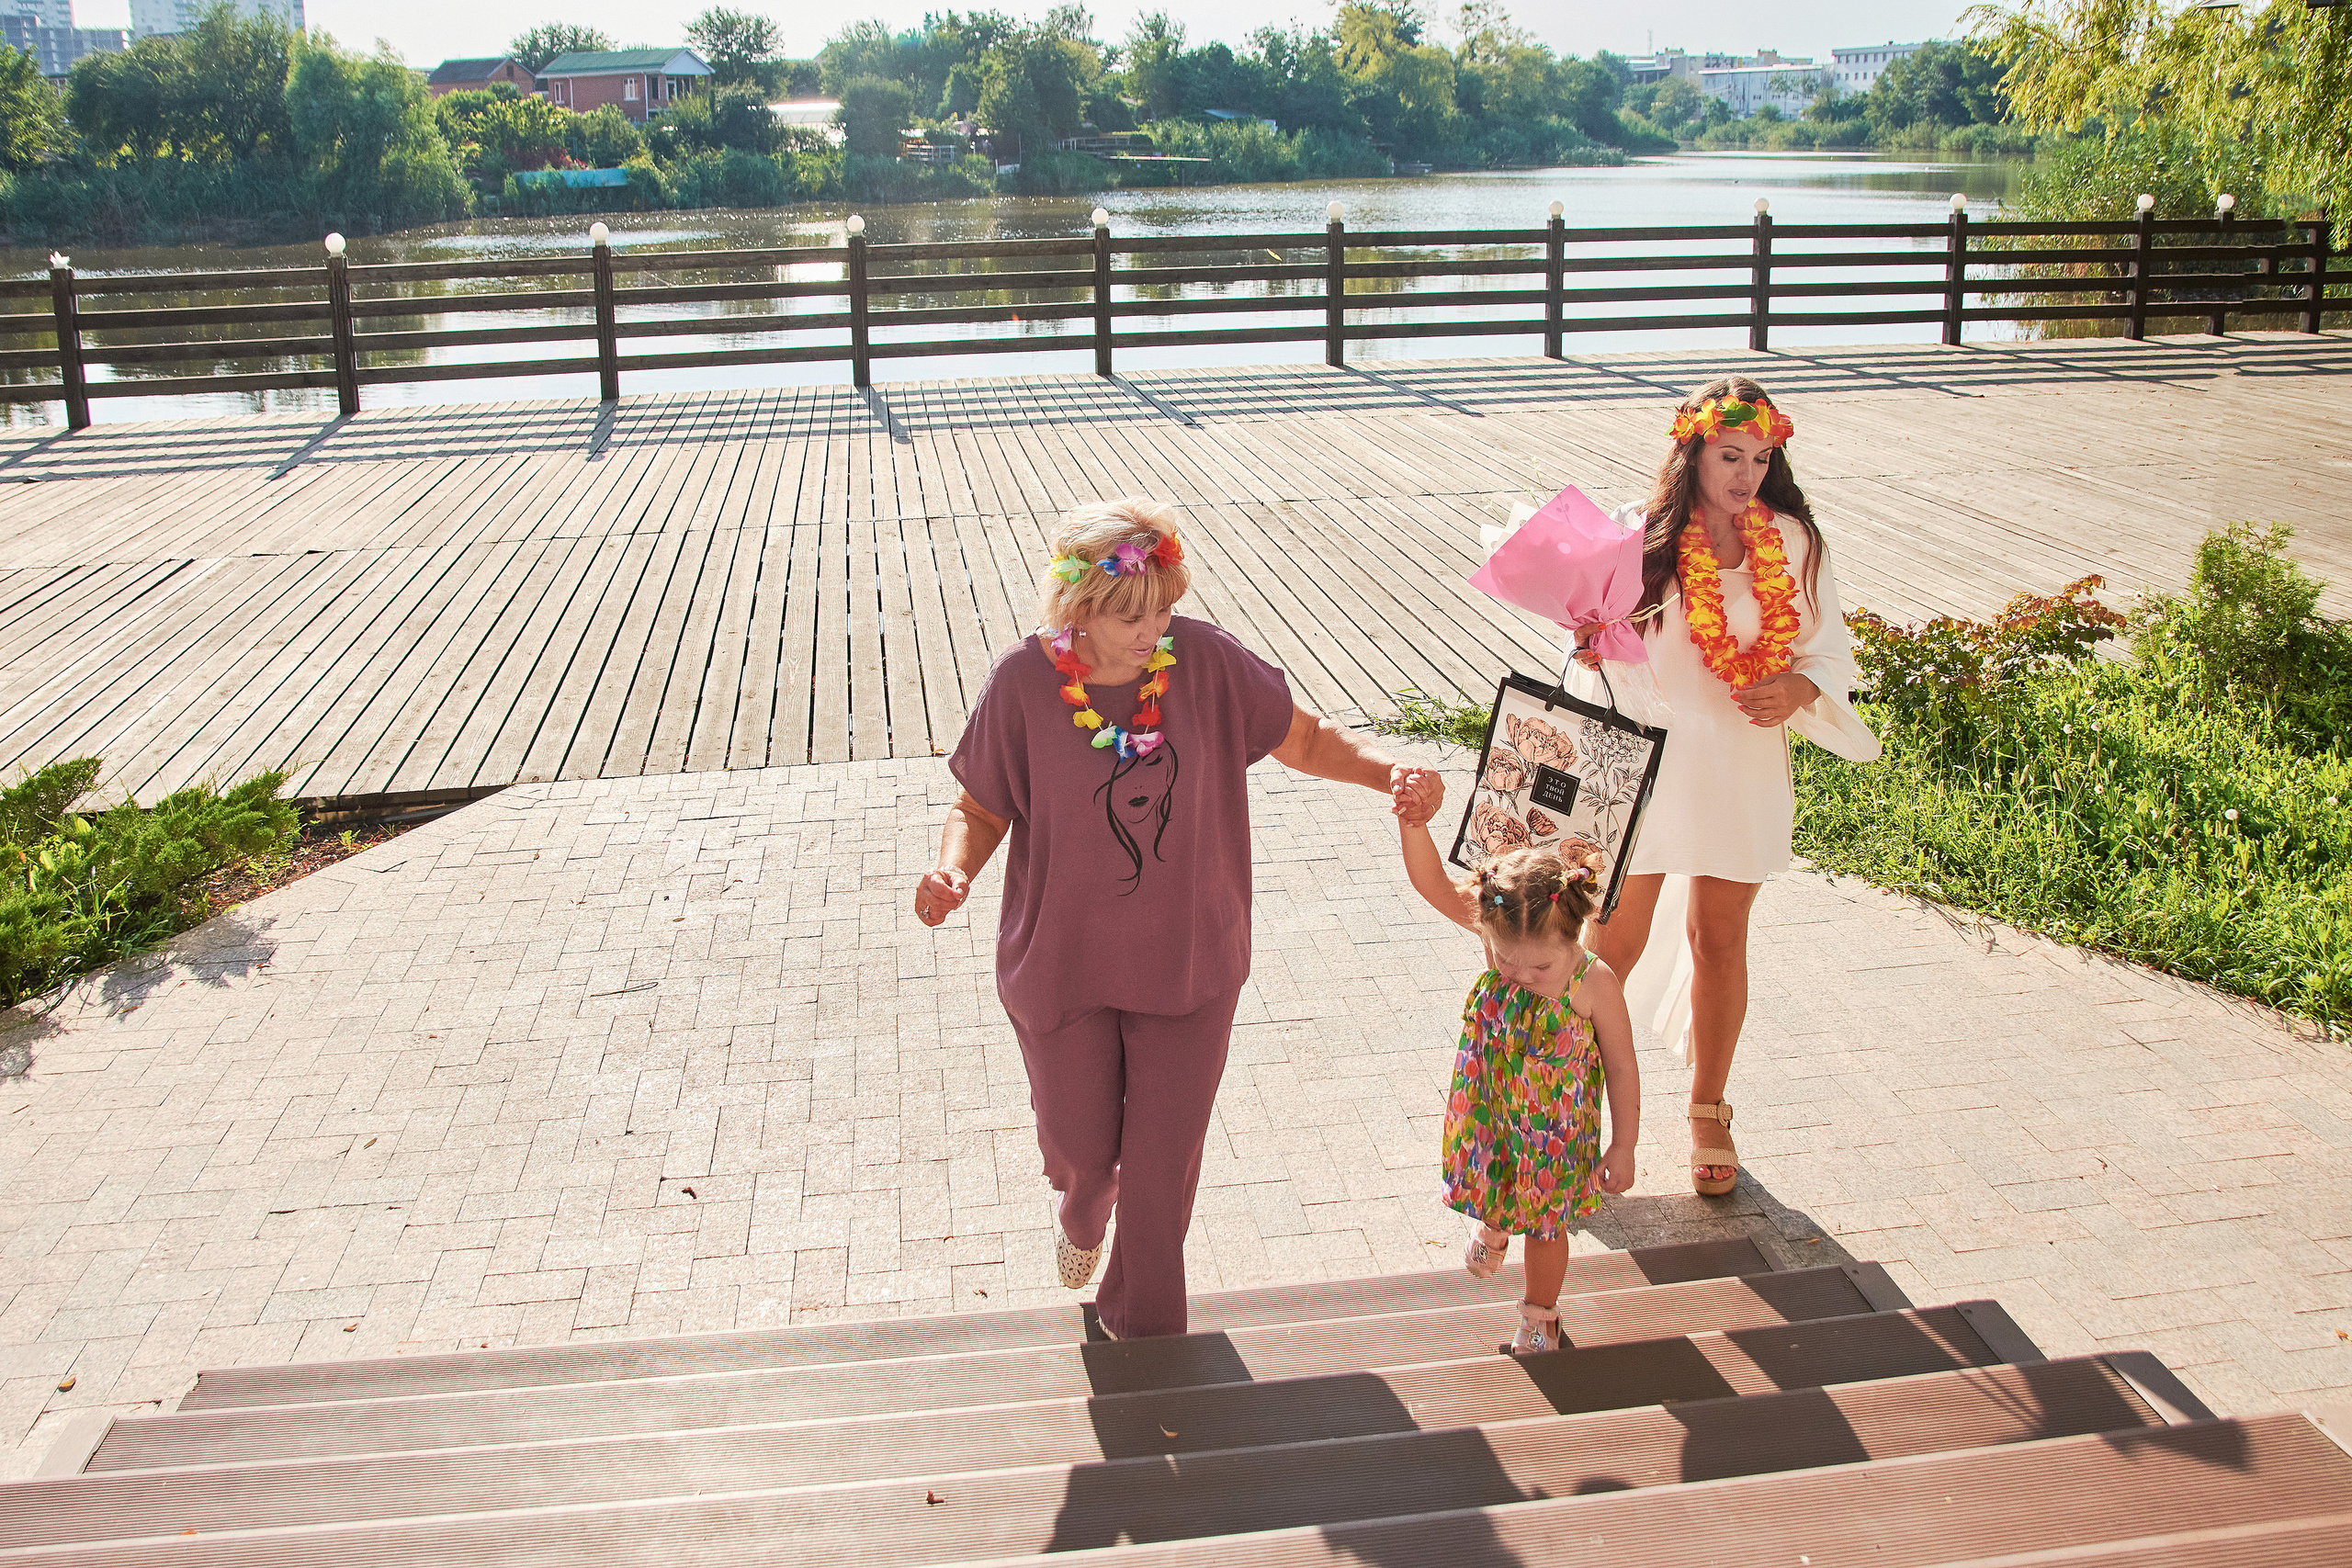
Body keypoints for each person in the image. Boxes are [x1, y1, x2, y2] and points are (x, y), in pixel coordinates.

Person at [914, 497, 1419, 1340]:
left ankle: (1147, 1343)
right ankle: (1083, 1206)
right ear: (1077, 606)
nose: (1152, 629)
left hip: (1190, 963)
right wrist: (954, 870)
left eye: (1163, 607)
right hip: (1064, 967)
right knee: (1083, 1148)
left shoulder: (1207, 663)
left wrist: (1389, 771)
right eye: (1127, 614)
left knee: (1160, 1175)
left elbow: (1307, 739)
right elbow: (979, 805)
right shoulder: (1023, 684)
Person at [1567, 376, 1880, 1196]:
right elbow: (1599, 650)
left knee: (1721, 935)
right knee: (1615, 942)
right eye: (1730, 455)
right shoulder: (1646, 540)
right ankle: (1578, 1104)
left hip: (1740, 765)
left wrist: (1801, 690)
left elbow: (1829, 650)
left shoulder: (1795, 543)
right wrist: (1592, 645)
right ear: (1695, 450)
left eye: (1761, 457)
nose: (1746, 473)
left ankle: (1709, 1108)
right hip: (1653, 767)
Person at [1394, 774, 1640, 1356]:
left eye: (1538, 970)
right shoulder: (1504, 927)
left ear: (1574, 935)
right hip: (1492, 1109)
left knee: (1548, 1226)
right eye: (1505, 963)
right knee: (1496, 1180)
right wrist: (1413, 824)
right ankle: (1495, 1223)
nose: (1520, 977)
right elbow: (1431, 884)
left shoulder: (1592, 984)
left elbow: (1624, 1066)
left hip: (1556, 1137)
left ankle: (1540, 1316)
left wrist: (1624, 1145)